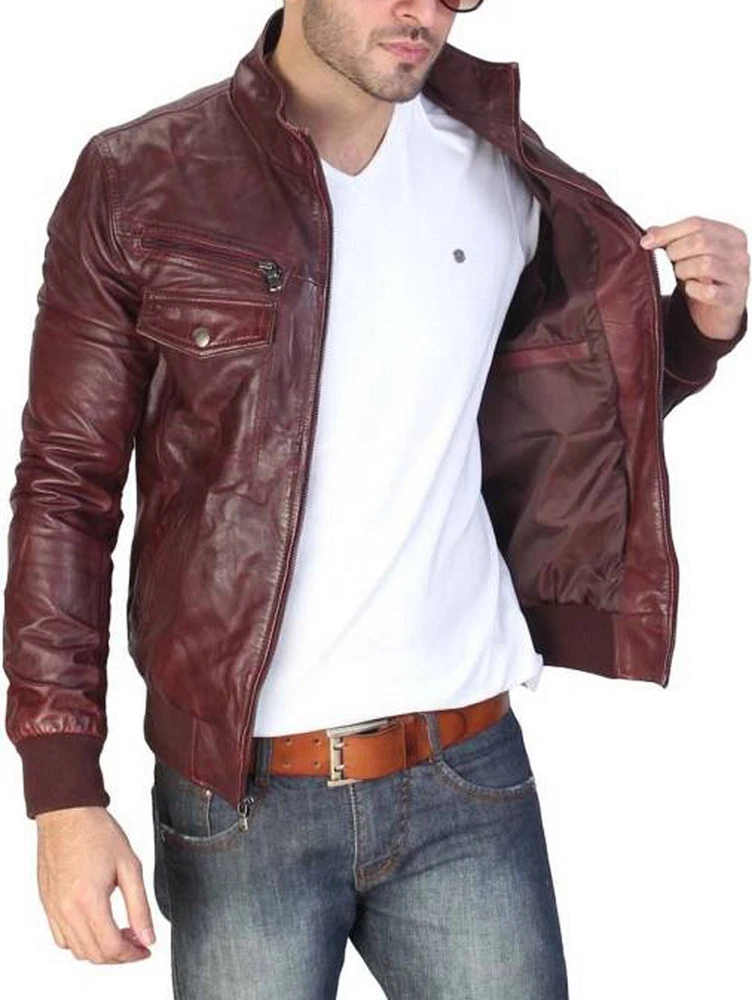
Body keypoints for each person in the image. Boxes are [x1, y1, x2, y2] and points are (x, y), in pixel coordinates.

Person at [3, 1, 748, 997]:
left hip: (467, 770)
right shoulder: (138, 178)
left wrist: (696, 329)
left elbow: (563, 417)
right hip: (239, 794)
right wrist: (62, 789)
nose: (419, 9)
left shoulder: (502, 175)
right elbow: (66, 489)